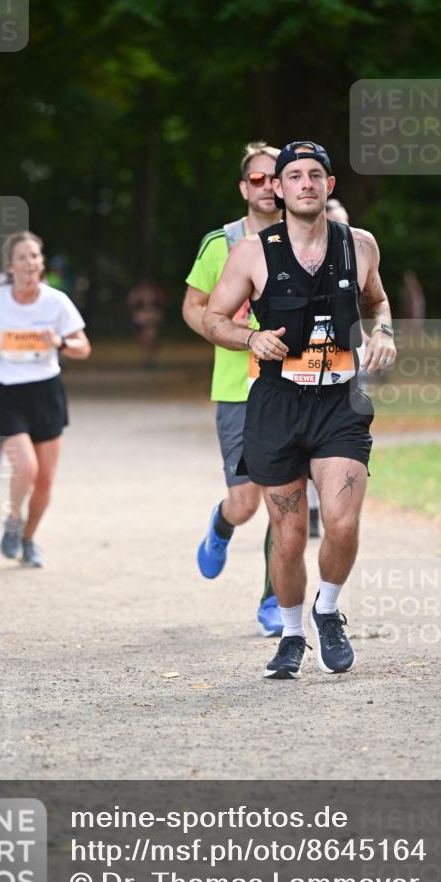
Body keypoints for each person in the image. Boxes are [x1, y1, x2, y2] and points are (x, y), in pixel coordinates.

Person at [203, 141, 396, 679]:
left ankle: (328, 610)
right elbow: (213, 318)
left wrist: (382, 332)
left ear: (329, 185)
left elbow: (376, 302)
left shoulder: (359, 246)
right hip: (277, 405)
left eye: (316, 174)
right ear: (278, 189)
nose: (306, 183)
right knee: (287, 537)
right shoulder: (252, 253)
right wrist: (250, 338)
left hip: (340, 401)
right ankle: (290, 634)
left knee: (341, 520)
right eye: (294, 176)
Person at [183, 140, 284, 637]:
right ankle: (222, 525)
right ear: (245, 188)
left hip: (294, 385)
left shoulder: (308, 240)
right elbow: (193, 305)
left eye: (276, 177)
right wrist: (234, 336)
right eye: (259, 179)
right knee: (245, 503)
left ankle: (273, 601)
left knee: (283, 498)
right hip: (236, 389)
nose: (268, 186)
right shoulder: (220, 242)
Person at [0, 231, 91, 567]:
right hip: (7, 392)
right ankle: (12, 519)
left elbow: (83, 347)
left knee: (46, 478)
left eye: (35, 256)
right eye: (22, 257)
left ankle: (28, 539)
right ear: (10, 265)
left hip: (46, 391)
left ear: (42, 261)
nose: (30, 263)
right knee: (27, 467)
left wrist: (59, 342)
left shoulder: (56, 301)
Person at [307, 196, 352, 538]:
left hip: (347, 367)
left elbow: (374, 302)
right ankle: (311, 510)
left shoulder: (357, 254)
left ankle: (331, 508)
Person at [128, 280, 167, 368]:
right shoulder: (136, 293)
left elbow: (162, 304)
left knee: (150, 336)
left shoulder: (156, 292)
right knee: (144, 339)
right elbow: (132, 305)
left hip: (153, 317)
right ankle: (146, 358)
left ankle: (149, 357)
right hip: (141, 318)